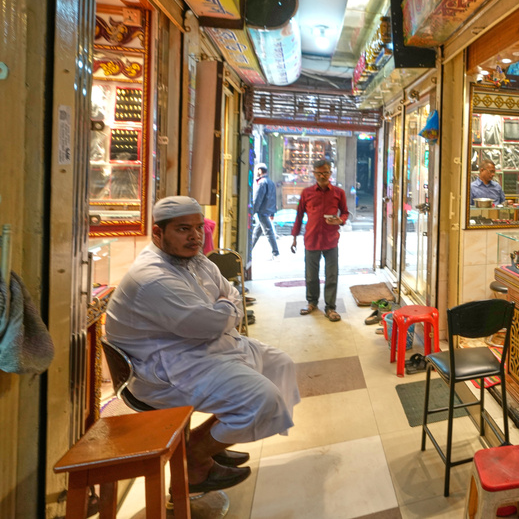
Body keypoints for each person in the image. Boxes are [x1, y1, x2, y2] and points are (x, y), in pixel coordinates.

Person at [105, 196, 300, 493]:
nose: (195, 236)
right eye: (183, 229)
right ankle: (195, 458)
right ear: (157, 233)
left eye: (198, 228)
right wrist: (225, 312)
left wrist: (223, 311)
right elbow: (207, 323)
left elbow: (231, 294)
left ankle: (204, 441)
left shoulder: (196, 260)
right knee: (263, 399)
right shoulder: (153, 278)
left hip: (197, 350)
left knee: (280, 364)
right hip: (164, 370)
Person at [291, 159, 349, 322]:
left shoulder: (339, 192)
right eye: (318, 173)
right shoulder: (307, 193)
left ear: (330, 173)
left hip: (331, 240)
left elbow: (345, 212)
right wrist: (294, 237)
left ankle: (330, 308)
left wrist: (340, 220)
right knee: (311, 275)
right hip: (311, 239)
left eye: (325, 172)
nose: (322, 176)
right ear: (314, 174)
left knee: (331, 275)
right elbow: (299, 215)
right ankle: (312, 302)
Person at [251, 163, 280, 260]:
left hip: (262, 211)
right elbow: (273, 198)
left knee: (269, 232)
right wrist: (272, 213)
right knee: (256, 232)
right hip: (267, 210)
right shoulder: (270, 182)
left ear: (260, 170)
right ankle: (249, 250)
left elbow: (257, 198)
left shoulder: (262, 182)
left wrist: (252, 211)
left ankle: (276, 253)